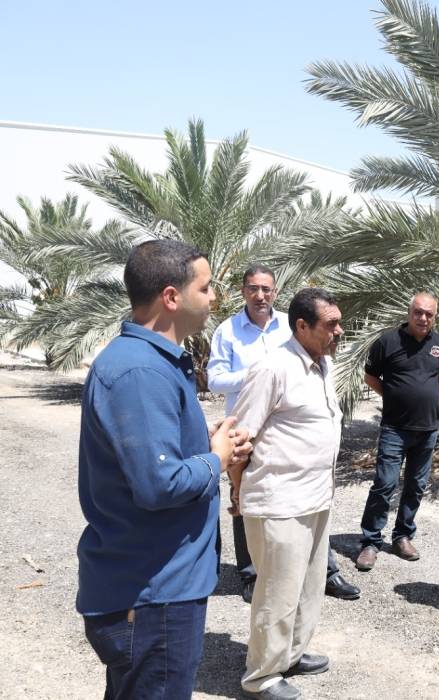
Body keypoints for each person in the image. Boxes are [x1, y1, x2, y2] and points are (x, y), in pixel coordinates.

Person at [77, 240, 251, 699]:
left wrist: (205, 443)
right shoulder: (141, 372)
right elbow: (159, 484)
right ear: (172, 297)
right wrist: (216, 458)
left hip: (153, 589)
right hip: (153, 594)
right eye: (206, 287)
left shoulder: (148, 363)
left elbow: (152, 457)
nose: (214, 297)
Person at [208, 264, 359, 603]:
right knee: (248, 501)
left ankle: (326, 573)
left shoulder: (293, 327)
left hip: (294, 441)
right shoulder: (229, 332)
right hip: (251, 425)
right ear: (243, 291)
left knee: (309, 518)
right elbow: (215, 379)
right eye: (253, 288)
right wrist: (262, 374)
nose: (260, 295)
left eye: (266, 289)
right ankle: (252, 575)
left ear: (275, 292)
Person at [232, 287, 345, 700]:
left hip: (316, 497)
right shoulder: (273, 368)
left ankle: (290, 655)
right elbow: (239, 438)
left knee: (308, 588)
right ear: (302, 326)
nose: (339, 331)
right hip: (278, 501)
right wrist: (237, 491)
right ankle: (261, 677)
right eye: (331, 324)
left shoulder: (323, 364)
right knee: (277, 593)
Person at [356, 292, 439, 571]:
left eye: (429, 314)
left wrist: (422, 397)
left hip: (427, 429)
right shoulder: (387, 342)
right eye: (418, 312)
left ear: (435, 317)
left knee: (416, 486)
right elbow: (370, 376)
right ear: (409, 313)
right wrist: (394, 396)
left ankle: (402, 536)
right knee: (385, 484)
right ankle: (370, 541)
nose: (423, 318)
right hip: (394, 428)